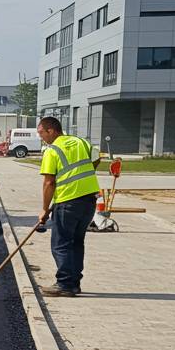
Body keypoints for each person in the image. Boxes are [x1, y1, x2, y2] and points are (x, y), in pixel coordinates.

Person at [36, 116, 101, 297]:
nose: (41, 137)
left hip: (68, 202)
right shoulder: (81, 142)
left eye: (41, 133)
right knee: (76, 243)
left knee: (61, 244)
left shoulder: (52, 150)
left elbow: (49, 182)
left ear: (51, 130)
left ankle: (64, 284)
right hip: (89, 201)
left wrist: (44, 209)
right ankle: (74, 283)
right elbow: (96, 159)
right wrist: (84, 175)